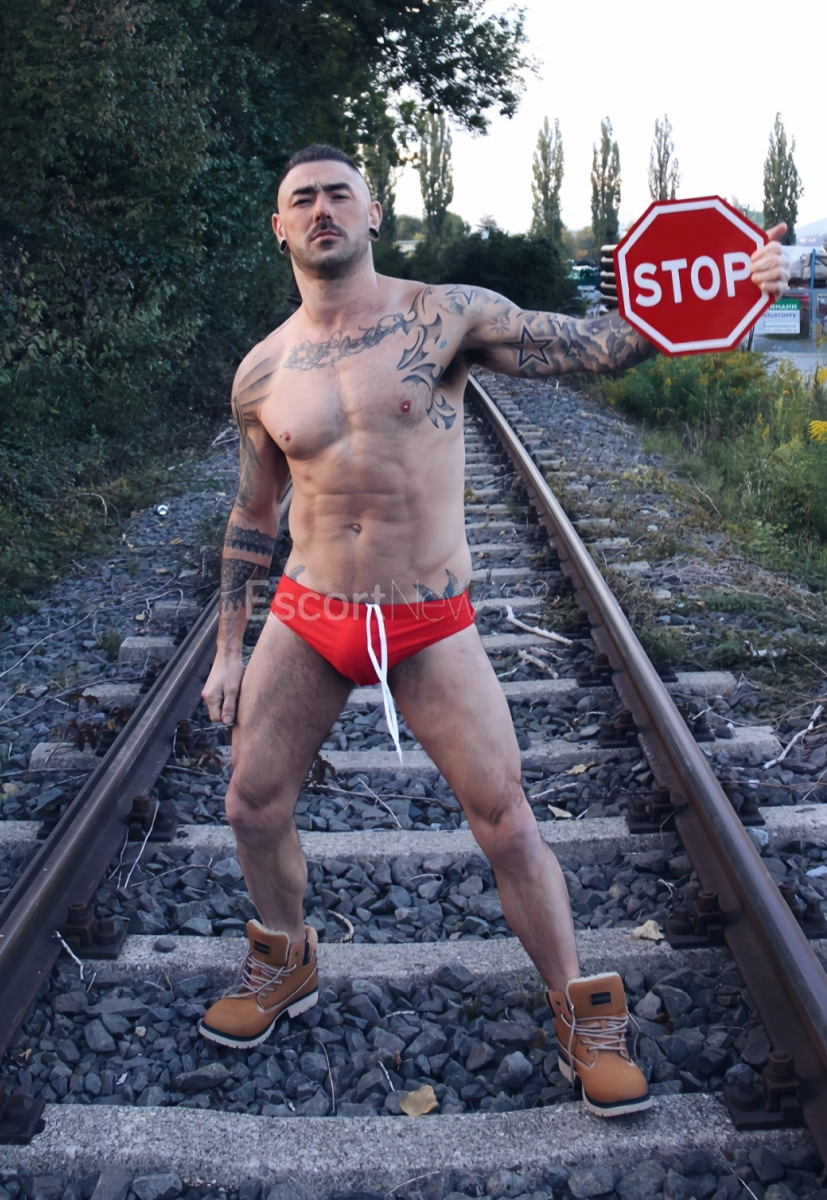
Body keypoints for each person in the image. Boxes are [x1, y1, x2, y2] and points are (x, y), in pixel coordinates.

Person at [199, 144, 790, 1117]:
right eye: (301, 199)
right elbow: (254, 515)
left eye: (339, 193)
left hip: (427, 615)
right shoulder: (261, 371)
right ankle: (283, 959)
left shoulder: (446, 315)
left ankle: (579, 1011)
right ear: (279, 226)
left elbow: (594, 346)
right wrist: (229, 648)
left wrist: (731, 286)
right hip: (310, 612)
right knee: (250, 808)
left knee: (506, 819)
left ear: (373, 212)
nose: (321, 209)